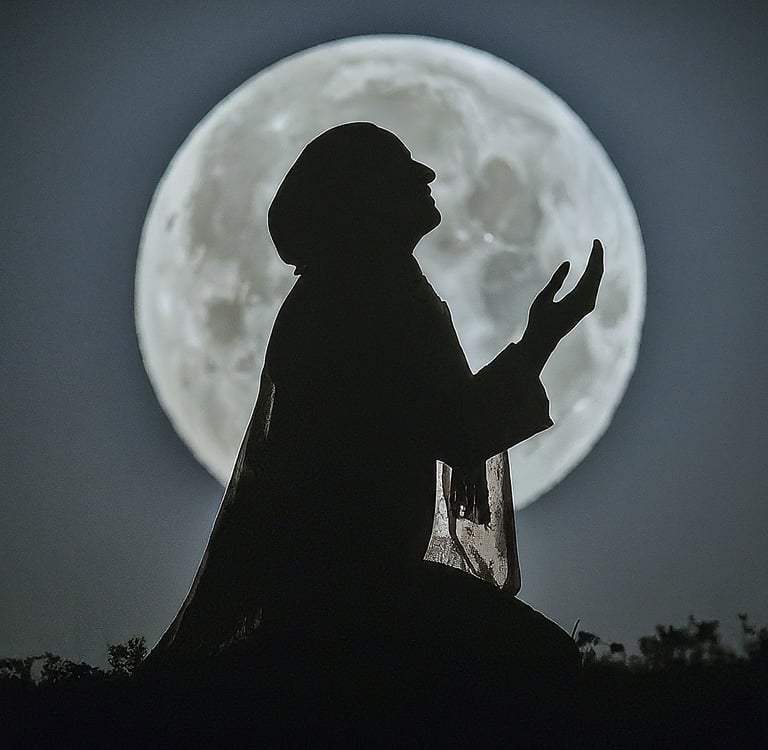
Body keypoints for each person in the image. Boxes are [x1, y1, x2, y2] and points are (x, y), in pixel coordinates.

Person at [146, 122, 603, 727]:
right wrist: (541, 339)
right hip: (350, 597)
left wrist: (539, 339)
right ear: (365, 196)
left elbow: (449, 423)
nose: (426, 174)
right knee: (537, 671)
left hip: (357, 588)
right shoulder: (364, 295)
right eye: (402, 165)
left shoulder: (363, 289)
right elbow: (456, 429)